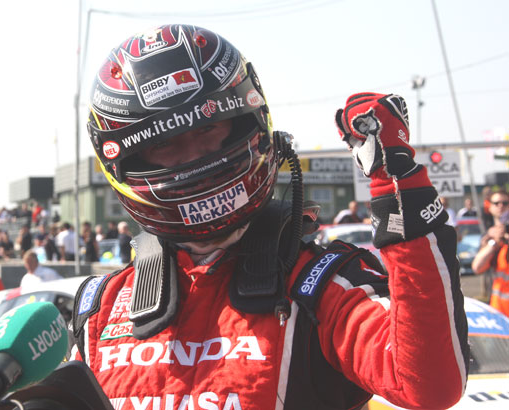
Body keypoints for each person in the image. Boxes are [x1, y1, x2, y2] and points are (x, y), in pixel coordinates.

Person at [68, 24, 468, 409]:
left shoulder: (323, 288)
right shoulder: (101, 308)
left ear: (250, 124)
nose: (193, 157)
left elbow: (429, 386)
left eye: (208, 129)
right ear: (128, 160)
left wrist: (395, 183)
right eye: (167, 143)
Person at [471, 190, 509, 316]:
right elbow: (477, 267)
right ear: (489, 207)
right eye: (496, 203)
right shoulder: (488, 237)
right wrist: (494, 242)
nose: (501, 206)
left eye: (505, 203)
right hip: (498, 310)